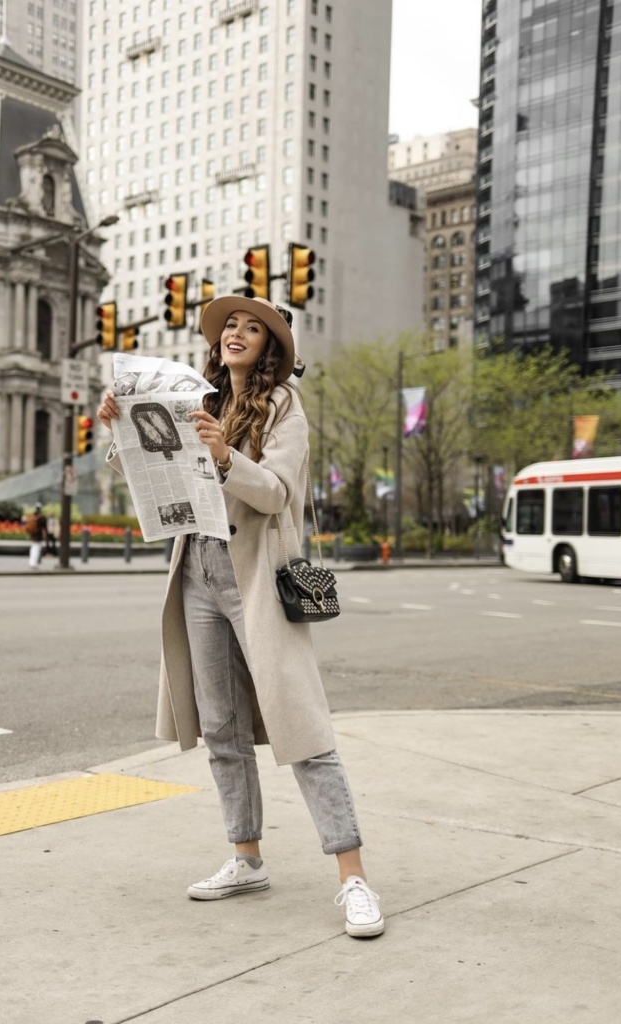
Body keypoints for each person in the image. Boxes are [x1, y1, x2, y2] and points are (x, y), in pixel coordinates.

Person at [97, 295, 384, 938]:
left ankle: (354, 878)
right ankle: (246, 856)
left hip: (255, 577)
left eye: (254, 328)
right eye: (232, 324)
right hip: (196, 571)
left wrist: (227, 457)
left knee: (302, 727)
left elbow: (277, 492)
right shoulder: (195, 397)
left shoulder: (284, 406)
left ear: (271, 347)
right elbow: (158, 472)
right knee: (222, 726)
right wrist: (119, 431)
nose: (238, 333)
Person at [25, 503, 47, 569]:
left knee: (33, 548)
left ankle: (31, 562)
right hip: (38, 535)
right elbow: (44, 527)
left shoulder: (32, 516)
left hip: (33, 534)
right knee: (36, 549)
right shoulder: (42, 517)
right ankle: (34, 563)